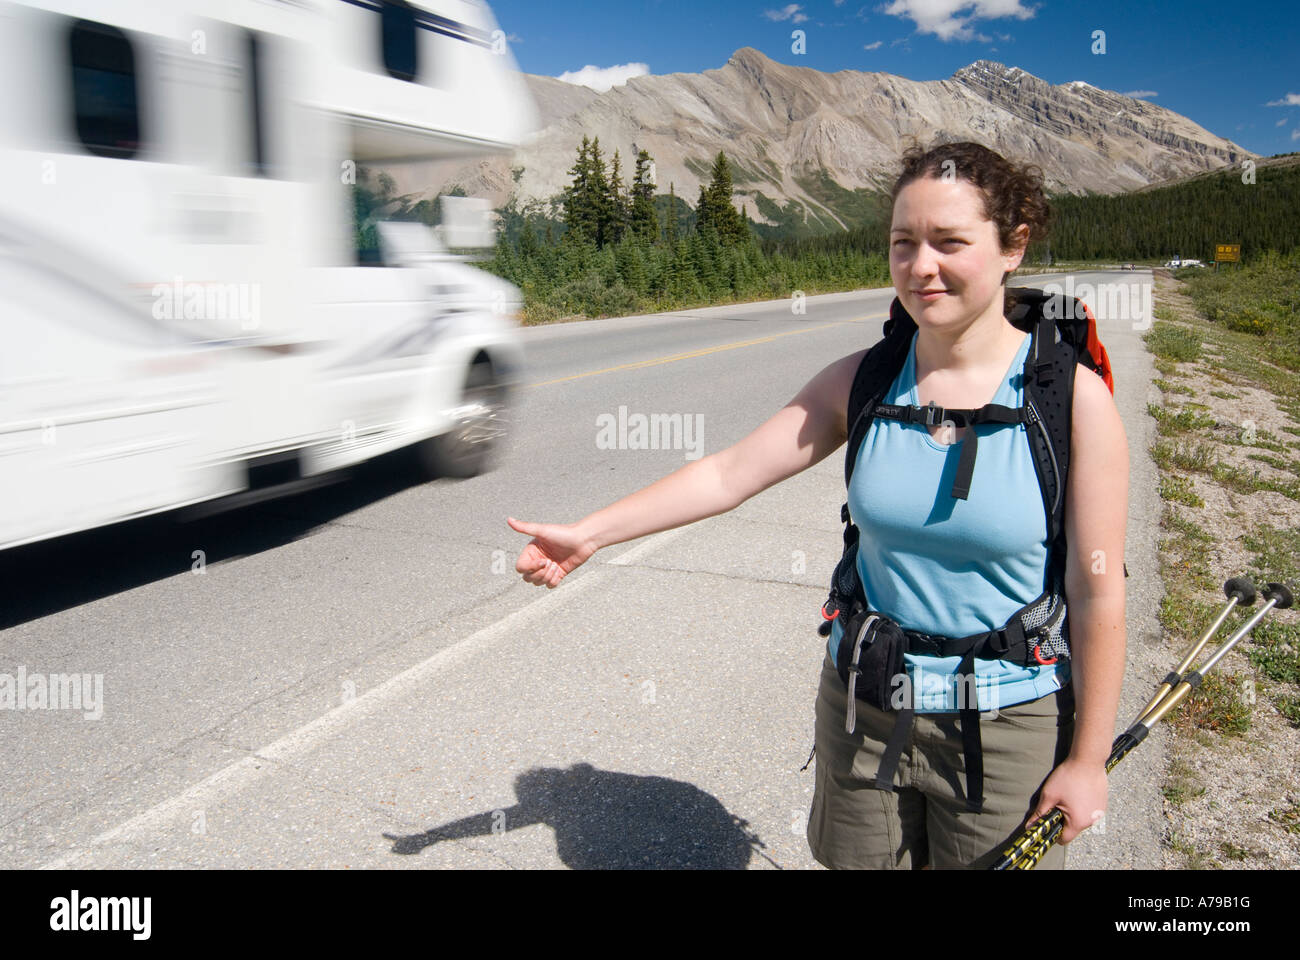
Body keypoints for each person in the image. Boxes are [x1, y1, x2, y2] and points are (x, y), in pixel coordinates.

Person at [507, 140, 1129, 869]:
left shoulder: (1067, 401)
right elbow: (730, 472)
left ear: (1013, 245)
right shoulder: (863, 382)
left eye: (950, 242)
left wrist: (1087, 760)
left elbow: (1096, 591)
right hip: (864, 708)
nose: (921, 267)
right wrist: (590, 533)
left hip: (1007, 721)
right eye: (904, 243)